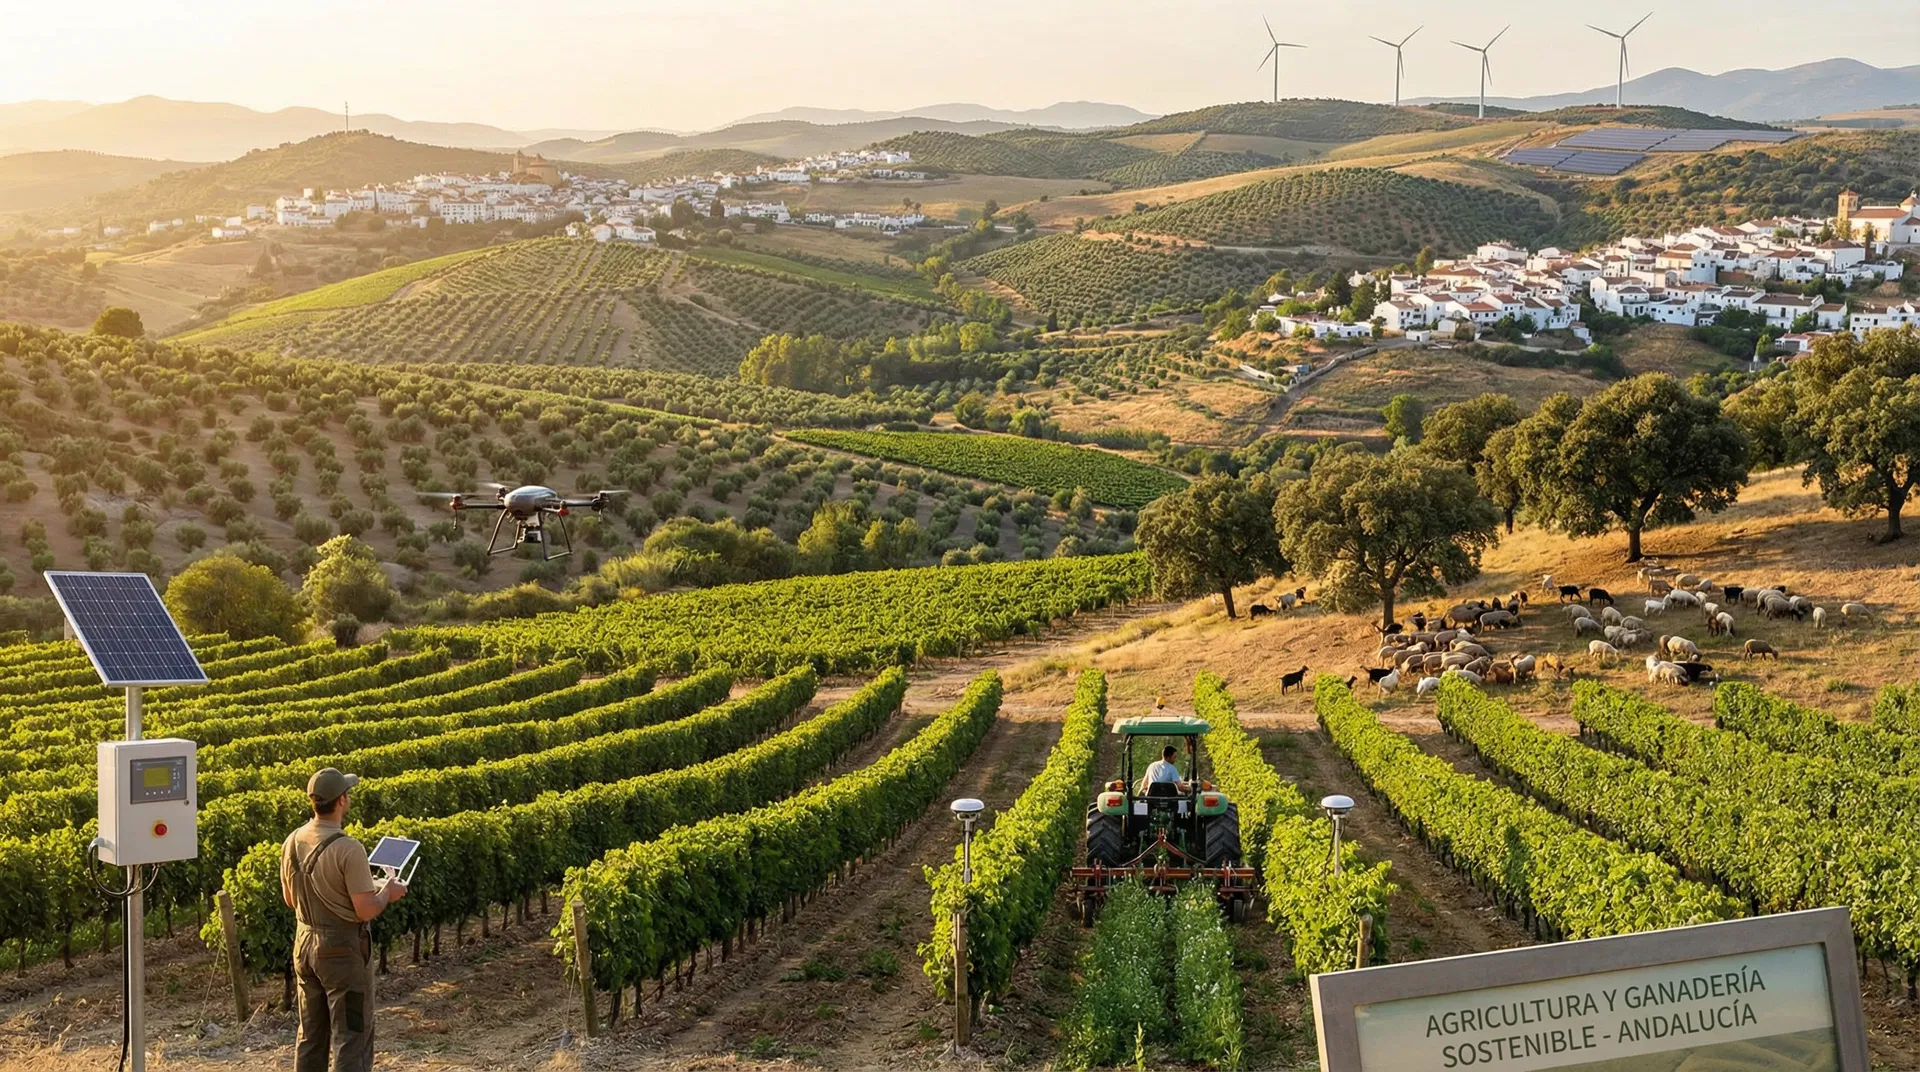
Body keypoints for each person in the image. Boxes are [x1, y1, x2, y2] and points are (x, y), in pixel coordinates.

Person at [280, 767, 408, 1072]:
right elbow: (365, 909)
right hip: (341, 952)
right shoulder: (349, 849)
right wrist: (387, 892)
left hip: (304, 945)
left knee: (311, 1034)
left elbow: (290, 899)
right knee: (351, 1036)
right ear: (341, 801)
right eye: (347, 794)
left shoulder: (292, 841)